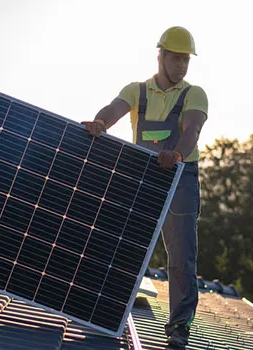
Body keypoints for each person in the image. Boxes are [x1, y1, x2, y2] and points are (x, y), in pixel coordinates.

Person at [80, 26, 207, 349]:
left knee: (181, 256)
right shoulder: (137, 91)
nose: (182, 66)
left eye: (186, 60)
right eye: (176, 58)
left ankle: (179, 327)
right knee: (124, 243)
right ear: (160, 56)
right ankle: (103, 309)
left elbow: (192, 130)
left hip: (180, 178)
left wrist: (176, 154)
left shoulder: (194, 94)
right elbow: (113, 109)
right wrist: (100, 124)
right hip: (143, 175)